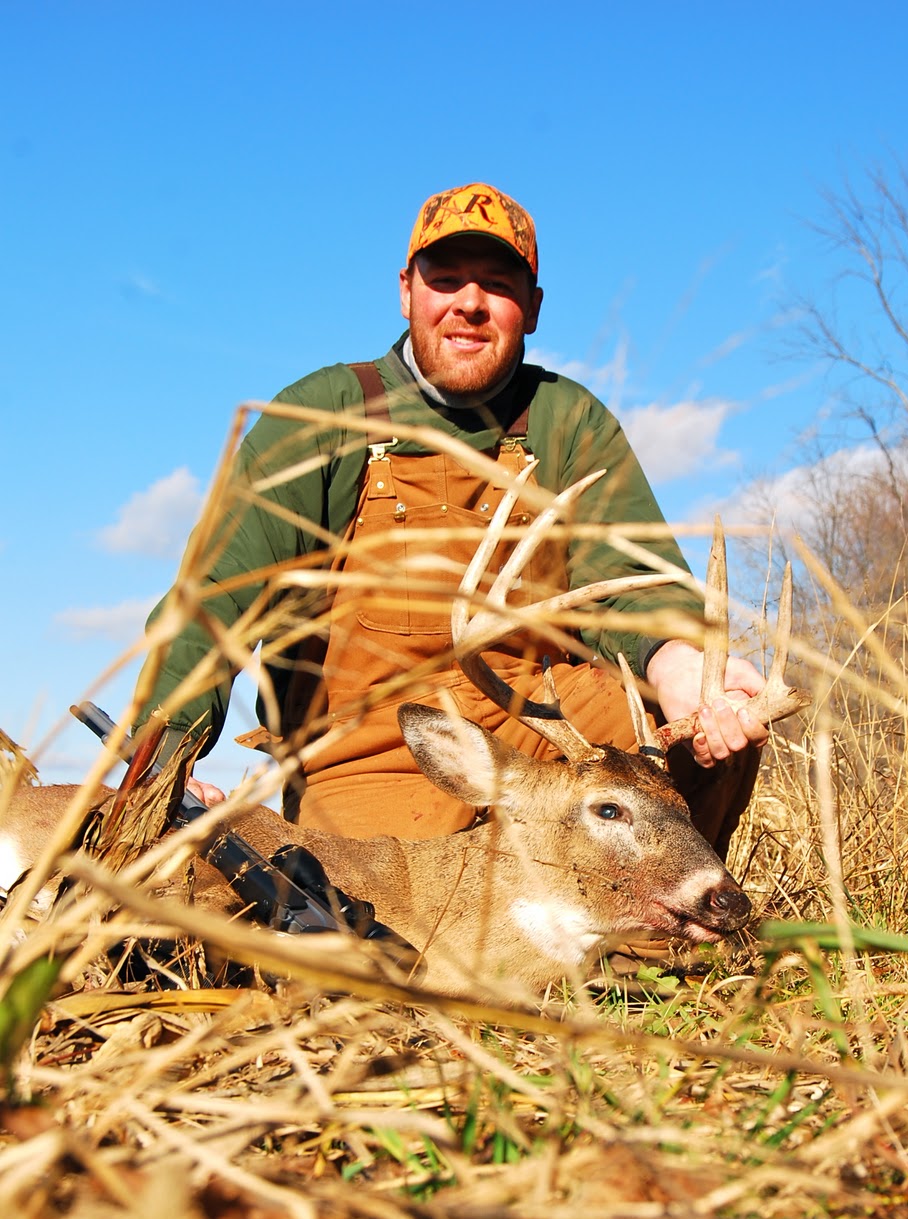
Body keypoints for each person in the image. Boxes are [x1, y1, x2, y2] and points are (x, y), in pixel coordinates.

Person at [140, 182, 769, 858]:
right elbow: (217, 599)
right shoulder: (326, 413)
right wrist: (160, 764)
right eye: (446, 279)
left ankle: (661, 922)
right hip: (370, 755)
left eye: (497, 284)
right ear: (407, 291)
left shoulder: (567, 419)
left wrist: (678, 664)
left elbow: (630, 579)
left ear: (532, 308)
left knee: (709, 731)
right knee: (382, 910)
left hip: (544, 732)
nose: (470, 302)